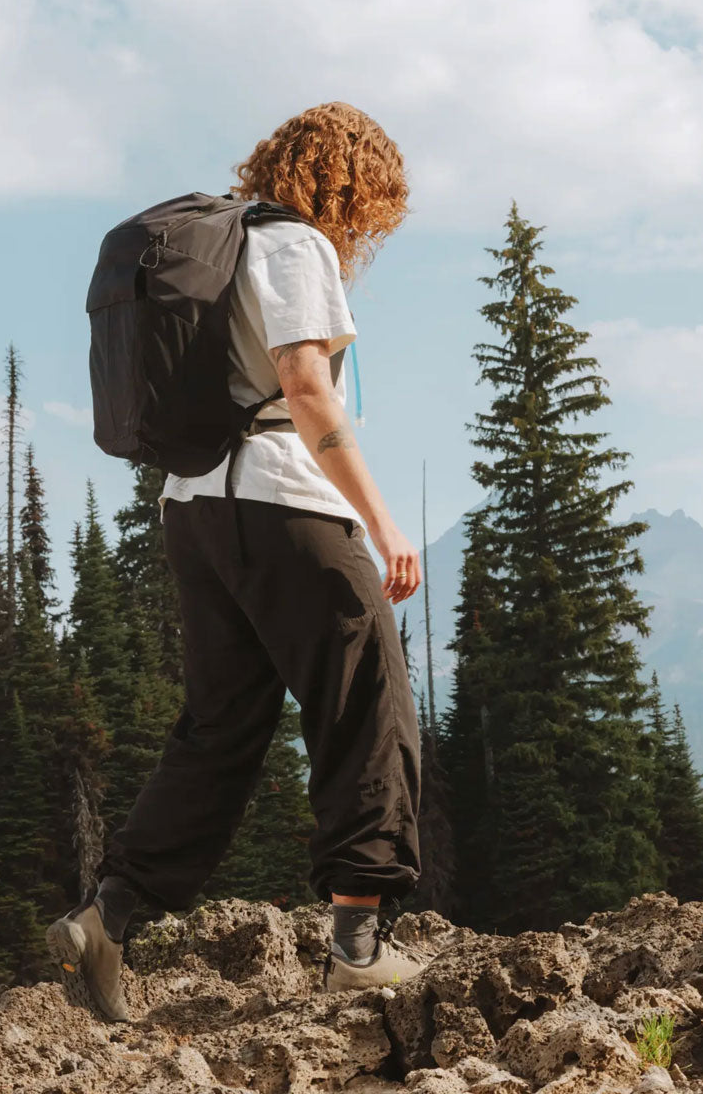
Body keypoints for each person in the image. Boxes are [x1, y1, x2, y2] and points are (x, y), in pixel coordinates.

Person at [47, 102, 427, 1021]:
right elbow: (303, 386)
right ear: (352, 185)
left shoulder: (221, 244)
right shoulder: (297, 247)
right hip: (285, 503)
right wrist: (382, 523)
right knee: (367, 701)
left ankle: (111, 914)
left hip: (195, 512)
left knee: (221, 729)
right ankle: (356, 945)